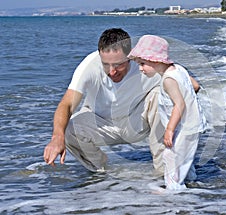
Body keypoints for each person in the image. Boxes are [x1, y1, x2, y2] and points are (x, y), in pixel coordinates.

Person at [43, 28, 200, 175]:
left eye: (118, 65)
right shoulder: (89, 65)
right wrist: (57, 137)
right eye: (106, 64)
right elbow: (67, 104)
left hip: (138, 122)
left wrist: (184, 129)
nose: (112, 71)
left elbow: (192, 86)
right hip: (102, 124)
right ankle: (104, 174)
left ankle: (164, 172)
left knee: (160, 94)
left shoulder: (146, 65)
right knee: (68, 129)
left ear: (131, 56)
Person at [128, 35, 207, 190]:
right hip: (191, 124)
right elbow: (196, 86)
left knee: (170, 156)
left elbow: (179, 105)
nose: (140, 68)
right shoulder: (179, 69)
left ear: (156, 60)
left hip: (183, 127)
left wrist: (169, 130)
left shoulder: (168, 79)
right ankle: (190, 179)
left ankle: (173, 190)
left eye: (143, 63)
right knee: (183, 156)